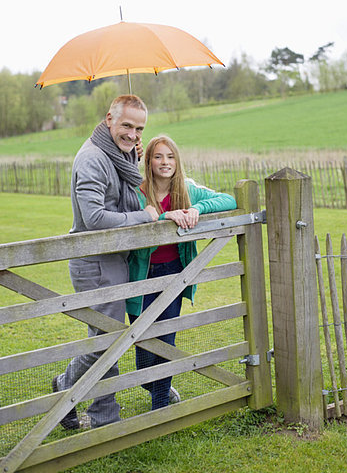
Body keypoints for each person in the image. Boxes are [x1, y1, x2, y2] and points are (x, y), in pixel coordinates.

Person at [53, 95, 158, 430]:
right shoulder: (93, 159)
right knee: (108, 339)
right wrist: (143, 217)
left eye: (139, 128)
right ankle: (99, 412)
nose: (133, 134)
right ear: (109, 118)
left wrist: (131, 161)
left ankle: (68, 389)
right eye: (127, 125)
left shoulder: (119, 153)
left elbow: (125, 193)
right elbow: (95, 217)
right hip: (95, 263)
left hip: (114, 260)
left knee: (107, 337)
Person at [126, 135, 237, 410]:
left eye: (170, 156)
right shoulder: (136, 192)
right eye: (158, 157)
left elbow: (228, 200)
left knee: (166, 338)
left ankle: (161, 403)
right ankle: (152, 384)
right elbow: (132, 226)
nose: (165, 162)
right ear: (148, 160)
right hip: (141, 274)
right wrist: (165, 217)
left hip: (175, 272)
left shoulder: (187, 189)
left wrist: (196, 208)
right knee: (141, 341)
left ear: (177, 160)